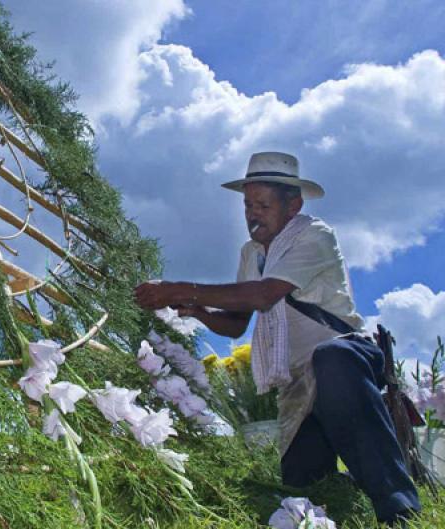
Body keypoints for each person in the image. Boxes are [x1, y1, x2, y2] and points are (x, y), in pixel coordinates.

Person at [134, 152, 420, 525]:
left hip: (344, 363)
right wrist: (198, 310)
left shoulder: (313, 235)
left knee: (332, 360)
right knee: (303, 486)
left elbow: (262, 295)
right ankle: (347, 498)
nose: (253, 214)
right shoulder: (251, 254)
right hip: (298, 380)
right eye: (248, 205)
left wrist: (179, 288)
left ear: (293, 205)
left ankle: (400, 510)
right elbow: (237, 324)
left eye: (263, 205)